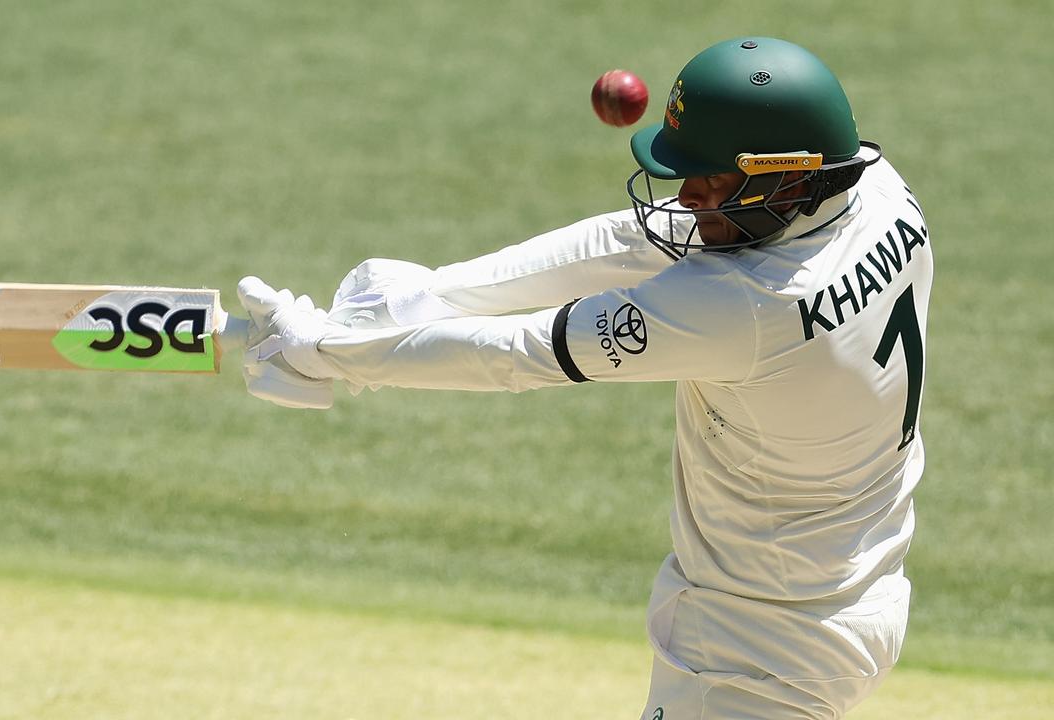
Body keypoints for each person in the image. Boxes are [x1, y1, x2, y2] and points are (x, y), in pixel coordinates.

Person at [227, 36, 932, 719]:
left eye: (710, 179)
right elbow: (630, 239)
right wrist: (437, 293)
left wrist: (326, 351)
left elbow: (519, 354)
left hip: (755, 650)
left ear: (791, 175)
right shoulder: (880, 194)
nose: (686, 198)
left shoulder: (749, 305)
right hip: (856, 587)